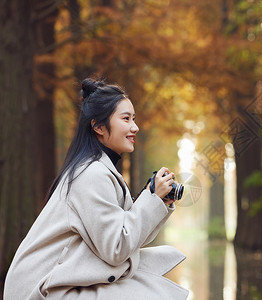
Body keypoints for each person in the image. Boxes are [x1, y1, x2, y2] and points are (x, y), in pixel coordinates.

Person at [3, 78, 189, 299]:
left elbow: (128, 238)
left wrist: (158, 201)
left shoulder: (99, 169)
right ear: (99, 127)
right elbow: (117, 248)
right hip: (41, 288)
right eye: (126, 118)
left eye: (134, 119)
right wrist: (151, 200)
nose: (135, 127)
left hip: (61, 278)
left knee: (149, 286)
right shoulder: (91, 173)